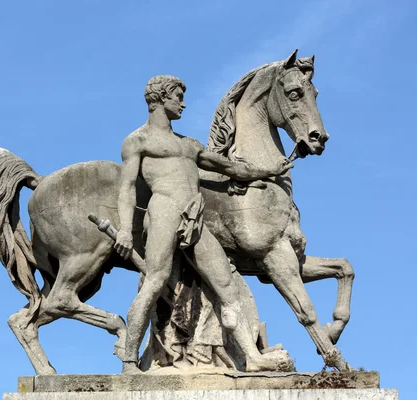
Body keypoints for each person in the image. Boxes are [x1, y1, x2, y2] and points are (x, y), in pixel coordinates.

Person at [115, 75, 293, 374]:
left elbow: (230, 167)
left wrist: (268, 170)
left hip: (194, 214)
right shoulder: (138, 140)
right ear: (159, 98)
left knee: (226, 285)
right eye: (177, 97)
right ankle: (130, 361)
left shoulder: (189, 145)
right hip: (164, 208)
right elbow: (126, 187)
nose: (183, 103)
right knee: (155, 281)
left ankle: (251, 356)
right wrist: (123, 228)